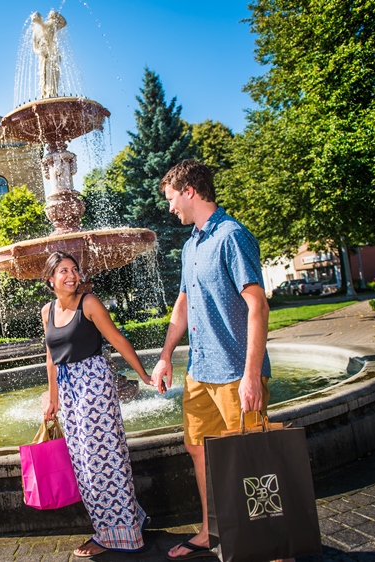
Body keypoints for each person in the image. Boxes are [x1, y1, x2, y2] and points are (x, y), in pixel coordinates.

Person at [150, 160, 272, 561]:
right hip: (199, 372)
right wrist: (166, 355)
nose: (170, 208)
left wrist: (251, 375)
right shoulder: (192, 244)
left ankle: (273, 544)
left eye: (171, 199)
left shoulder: (233, 236)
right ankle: (210, 529)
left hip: (237, 371)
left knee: (253, 459)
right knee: (198, 448)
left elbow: (258, 305)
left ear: (190, 191)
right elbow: (183, 303)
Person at [41, 250, 152, 558]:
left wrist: (142, 373)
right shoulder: (46, 311)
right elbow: (51, 357)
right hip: (68, 389)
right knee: (83, 463)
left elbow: (116, 339)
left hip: (93, 385)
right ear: (50, 279)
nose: (71, 275)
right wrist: (52, 398)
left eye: (73, 269)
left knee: (104, 460)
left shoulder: (88, 303)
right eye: (63, 271)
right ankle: (124, 522)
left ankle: (117, 534)